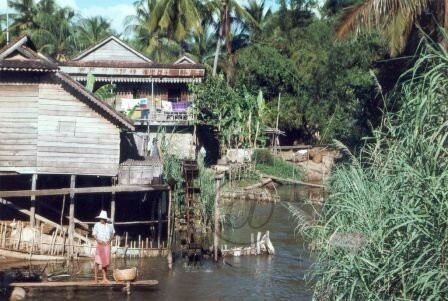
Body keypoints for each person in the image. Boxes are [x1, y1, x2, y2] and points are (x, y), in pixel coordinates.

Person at [92, 210, 115, 283]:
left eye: (102, 218)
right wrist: (98, 240)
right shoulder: (97, 225)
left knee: (105, 262)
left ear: (105, 219)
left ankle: (104, 278)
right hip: (100, 244)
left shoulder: (110, 225)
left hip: (107, 245)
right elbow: (94, 234)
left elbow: (113, 234)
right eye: (100, 218)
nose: (101, 220)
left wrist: (109, 240)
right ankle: (96, 278)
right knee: (97, 261)